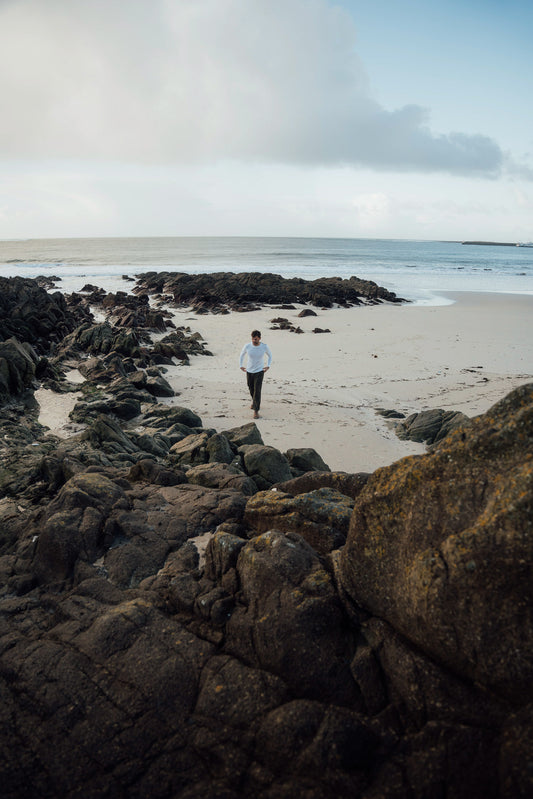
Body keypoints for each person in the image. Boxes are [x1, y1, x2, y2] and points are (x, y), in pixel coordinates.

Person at [239, 330, 272, 418]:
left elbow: (270, 355)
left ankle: (256, 411)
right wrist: (241, 365)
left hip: (259, 371)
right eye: (253, 339)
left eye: (256, 339)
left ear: (260, 338)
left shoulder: (264, 347)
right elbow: (242, 355)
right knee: (251, 388)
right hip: (249, 371)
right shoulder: (247, 346)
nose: (254, 341)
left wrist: (268, 366)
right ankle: (254, 403)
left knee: (257, 391)